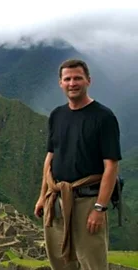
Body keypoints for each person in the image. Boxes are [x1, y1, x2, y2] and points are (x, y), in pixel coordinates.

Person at [33, 59, 122, 270]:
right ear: (60, 83)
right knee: (61, 261)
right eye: (68, 79)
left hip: (87, 200)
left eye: (77, 78)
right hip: (57, 199)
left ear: (88, 81)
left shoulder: (103, 117)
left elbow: (110, 166)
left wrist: (99, 208)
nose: (72, 83)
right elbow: (50, 158)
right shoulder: (57, 115)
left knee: (92, 261)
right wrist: (42, 197)